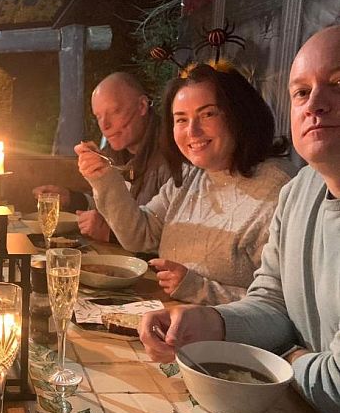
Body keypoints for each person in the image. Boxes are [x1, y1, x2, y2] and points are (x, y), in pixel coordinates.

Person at [139, 25, 340, 413]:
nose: (315, 103)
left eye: (339, 84)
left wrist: (286, 357)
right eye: (301, 91)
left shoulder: (274, 184)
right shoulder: (301, 190)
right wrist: (210, 322)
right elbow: (273, 303)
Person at [77, 62, 296, 305]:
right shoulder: (192, 175)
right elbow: (140, 234)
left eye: (208, 114)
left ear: (240, 113)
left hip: (220, 340)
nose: (193, 131)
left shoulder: (279, 190)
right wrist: (104, 177)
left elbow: (285, 304)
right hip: (164, 322)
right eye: (181, 119)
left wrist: (197, 288)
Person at [33, 72, 173, 241]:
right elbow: (114, 203)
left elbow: (174, 237)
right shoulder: (113, 153)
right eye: (98, 116)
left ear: (142, 106)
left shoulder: (172, 156)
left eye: (114, 111)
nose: (105, 125)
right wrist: (73, 199)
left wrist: (111, 233)